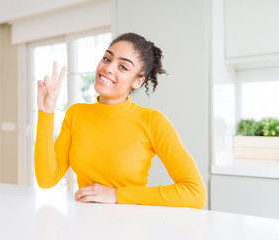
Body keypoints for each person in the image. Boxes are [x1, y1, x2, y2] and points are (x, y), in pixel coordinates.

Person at [35, 32, 207, 208]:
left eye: (123, 67)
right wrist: (46, 112)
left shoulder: (152, 121)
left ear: (137, 82)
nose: (108, 68)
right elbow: (46, 179)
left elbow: (195, 193)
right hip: (82, 224)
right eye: (107, 59)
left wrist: (117, 194)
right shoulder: (76, 113)